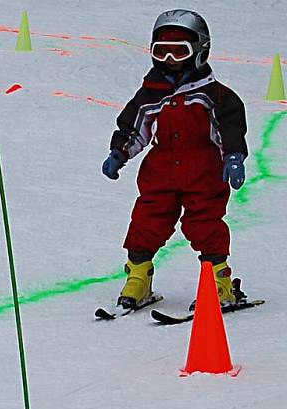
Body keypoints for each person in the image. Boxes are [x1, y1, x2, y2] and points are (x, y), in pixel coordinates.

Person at [102, 9, 248, 309]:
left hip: (204, 174)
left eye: (179, 51)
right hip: (160, 174)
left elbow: (229, 127)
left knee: (205, 225)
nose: (170, 60)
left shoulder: (214, 95)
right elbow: (134, 125)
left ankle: (218, 282)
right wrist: (120, 152)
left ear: (199, 51)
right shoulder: (151, 93)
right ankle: (139, 276)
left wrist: (233, 156)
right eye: (162, 51)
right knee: (146, 221)